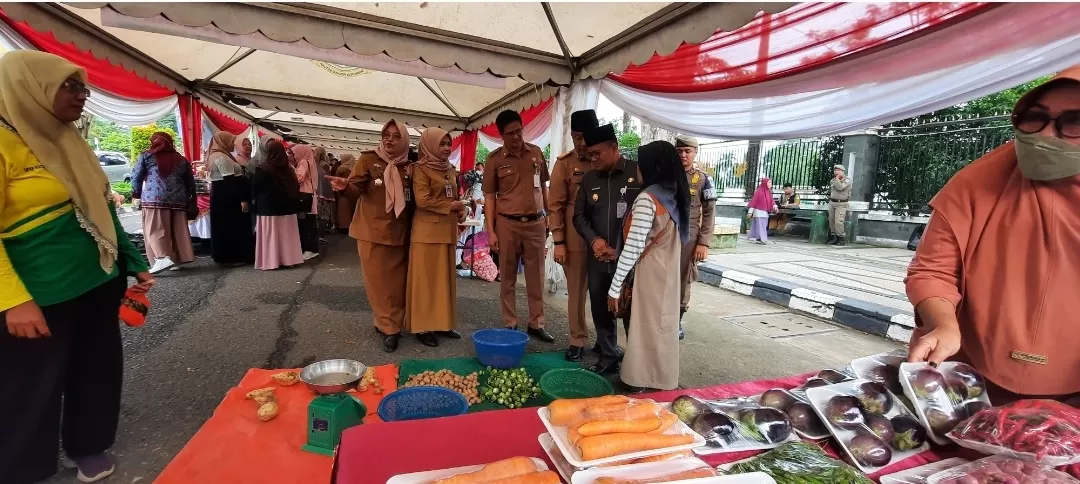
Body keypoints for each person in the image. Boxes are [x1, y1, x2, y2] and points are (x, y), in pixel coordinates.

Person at [0, 50, 154, 484]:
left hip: (99, 280)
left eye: (83, 86)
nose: (82, 95)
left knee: (97, 366)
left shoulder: (69, 139)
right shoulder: (3, 142)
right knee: (29, 384)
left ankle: (88, 445)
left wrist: (133, 260)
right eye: (70, 85)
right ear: (31, 87)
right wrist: (13, 301)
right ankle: (25, 468)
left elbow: (99, 207)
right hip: (37, 292)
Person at [905, 67, 1080, 405]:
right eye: (1035, 118)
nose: (1044, 136)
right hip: (967, 379)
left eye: (1074, 121)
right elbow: (932, 271)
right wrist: (942, 324)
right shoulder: (975, 183)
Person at [607, 140, 689, 392]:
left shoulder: (648, 198)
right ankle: (659, 379)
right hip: (669, 273)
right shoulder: (674, 194)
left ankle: (640, 381)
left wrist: (614, 287)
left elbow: (633, 247)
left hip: (650, 273)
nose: (637, 171)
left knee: (644, 326)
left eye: (641, 165)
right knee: (661, 327)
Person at [326, 120, 414, 353]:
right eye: (386, 134)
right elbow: (356, 188)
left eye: (396, 136)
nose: (390, 139)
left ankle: (390, 321)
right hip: (371, 231)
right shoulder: (368, 159)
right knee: (378, 283)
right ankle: (389, 328)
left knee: (397, 283)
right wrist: (344, 187)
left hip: (400, 232)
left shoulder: (411, 165)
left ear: (404, 140)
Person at [573, 123, 642, 374]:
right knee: (600, 307)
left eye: (597, 154)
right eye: (589, 155)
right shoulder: (590, 178)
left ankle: (636, 362)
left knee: (631, 310)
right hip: (599, 257)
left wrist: (624, 249)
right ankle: (609, 356)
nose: (592, 159)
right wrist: (595, 241)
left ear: (614, 148)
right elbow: (579, 217)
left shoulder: (638, 172)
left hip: (631, 259)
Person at [482, 110, 555, 343]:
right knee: (508, 277)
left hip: (535, 223)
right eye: (510, 133)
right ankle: (510, 324)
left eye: (519, 131)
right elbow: (490, 197)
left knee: (536, 277)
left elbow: (543, 186)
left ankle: (537, 322)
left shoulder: (535, 153)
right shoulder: (495, 160)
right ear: (501, 135)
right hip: (507, 224)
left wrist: (549, 215)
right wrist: (491, 231)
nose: (516, 137)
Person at [406, 128, 466, 346]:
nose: (447, 148)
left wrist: (462, 210)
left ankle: (442, 323)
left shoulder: (449, 169)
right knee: (426, 282)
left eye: (449, 144)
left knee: (444, 281)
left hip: (447, 231)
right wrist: (452, 206)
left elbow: (456, 196)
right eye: (442, 144)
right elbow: (423, 200)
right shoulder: (420, 169)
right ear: (429, 145)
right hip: (427, 233)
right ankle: (423, 327)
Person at [549, 109, 599, 361]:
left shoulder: (604, 157)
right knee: (577, 291)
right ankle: (577, 339)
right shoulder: (565, 163)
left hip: (603, 236)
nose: (579, 143)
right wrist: (559, 241)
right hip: (575, 237)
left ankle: (604, 340)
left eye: (583, 137)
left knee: (602, 290)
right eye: (575, 137)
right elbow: (555, 205)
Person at [131, 132, 197, 274]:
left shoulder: (147, 156)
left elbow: (136, 176)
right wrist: (192, 199)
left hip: (155, 198)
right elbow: (190, 183)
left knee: (155, 229)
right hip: (179, 199)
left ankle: (162, 257)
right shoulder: (181, 159)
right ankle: (176, 259)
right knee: (176, 230)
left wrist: (136, 194)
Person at [674, 135, 716, 339]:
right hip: (665, 236)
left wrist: (703, 242)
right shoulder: (666, 176)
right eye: (679, 151)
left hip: (689, 239)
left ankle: (677, 322)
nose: (683, 155)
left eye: (687, 151)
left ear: (695, 152)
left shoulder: (704, 179)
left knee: (683, 279)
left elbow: (709, 213)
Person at [251, 139, 304, 270]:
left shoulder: (263, 168)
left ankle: (271, 261)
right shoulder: (289, 168)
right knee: (287, 235)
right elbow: (295, 186)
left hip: (268, 207)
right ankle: (289, 259)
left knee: (271, 235)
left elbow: (256, 188)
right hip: (288, 207)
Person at [207, 131, 255, 266]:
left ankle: (230, 256)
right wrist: (242, 199)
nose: (234, 146)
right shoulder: (221, 158)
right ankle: (231, 257)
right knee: (230, 226)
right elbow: (230, 181)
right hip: (228, 199)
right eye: (231, 142)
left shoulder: (220, 155)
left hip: (224, 197)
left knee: (226, 226)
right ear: (224, 142)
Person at [291, 144, 320, 260]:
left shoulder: (303, 162)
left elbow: (299, 178)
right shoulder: (310, 161)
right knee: (311, 223)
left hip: (305, 195)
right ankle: (312, 248)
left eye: (294, 153)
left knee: (306, 224)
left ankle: (310, 249)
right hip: (310, 195)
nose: (293, 156)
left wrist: (291, 173)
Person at [746, 178, 776, 245]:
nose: (770, 184)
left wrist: (774, 206)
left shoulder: (768, 192)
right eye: (769, 182)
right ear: (765, 183)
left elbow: (772, 201)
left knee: (761, 225)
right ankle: (763, 239)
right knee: (761, 226)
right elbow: (754, 202)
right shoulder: (759, 192)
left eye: (771, 182)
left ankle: (758, 238)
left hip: (764, 212)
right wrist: (750, 212)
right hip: (758, 212)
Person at [828, 164, 851, 245]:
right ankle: (834, 237)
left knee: (839, 221)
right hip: (832, 203)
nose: (836, 172)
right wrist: (836, 179)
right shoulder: (833, 180)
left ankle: (841, 238)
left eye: (838, 170)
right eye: (835, 170)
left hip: (841, 203)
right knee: (832, 221)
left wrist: (837, 178)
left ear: (842, 171)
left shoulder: (847, 180)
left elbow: (840, 187)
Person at [334, 153, 358, 234]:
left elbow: (336, 181)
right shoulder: (355, 169)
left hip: (342, 192)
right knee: (352, 209)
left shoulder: (341, 169)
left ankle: (343, 227)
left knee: (343, 210)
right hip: (353, 191)